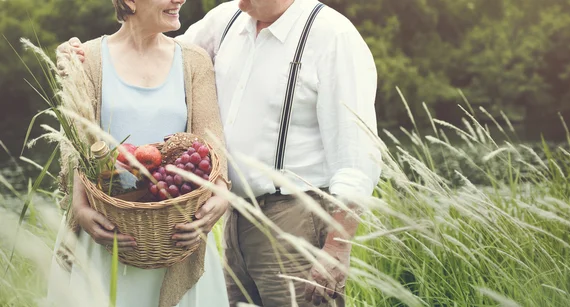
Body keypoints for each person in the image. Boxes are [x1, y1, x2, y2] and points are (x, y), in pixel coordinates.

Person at [58, 0, 382, 306]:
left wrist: (338, 248)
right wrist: (77, 57)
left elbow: (356, 157)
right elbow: (153, 53)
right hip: (231, 221)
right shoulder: (229, 19)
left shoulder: (332, 36)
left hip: (295, 220)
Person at [49, 0, 231, 306]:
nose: (180, 0)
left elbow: (212, 142)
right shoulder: (87, 59)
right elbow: (76, 148)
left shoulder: (194, 62)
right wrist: (80, 209)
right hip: (107, 234)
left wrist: (222, 194)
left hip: (177, 236)